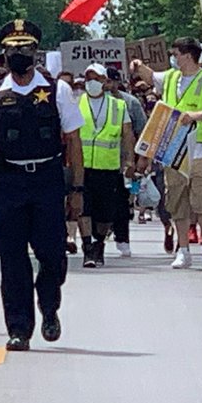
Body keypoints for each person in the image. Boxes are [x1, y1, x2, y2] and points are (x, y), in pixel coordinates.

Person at [0, 20, 85, 351]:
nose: (19, 54)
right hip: (10, 182)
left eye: (25, 49)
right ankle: (19, 328)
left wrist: (76, 189)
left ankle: (49, 307)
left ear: (36, 53)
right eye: (13, 49)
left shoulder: (56, 91)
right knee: (12, 259)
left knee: (52, 255)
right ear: (3, 55)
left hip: (48, 180)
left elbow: (74, 142)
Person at [131, 37, 202, 270]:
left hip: (201, 149)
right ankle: (183, 249)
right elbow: (151, 77)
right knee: (177, 201)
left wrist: (197, 116)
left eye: (176, 53)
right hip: (173, 150)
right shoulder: (172, 78)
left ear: (187, 55)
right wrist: (139, 65)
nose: (173, 58)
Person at [76, 63, 136, 268]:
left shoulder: (118, 106)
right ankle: (87, 247)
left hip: (108, 167)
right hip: (82, 166)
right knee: (83, 208)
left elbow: (127, 134)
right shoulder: (77, 102)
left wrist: (129, 160)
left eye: (96, 78)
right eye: (88, 78)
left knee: (104, 213)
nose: (91, 82)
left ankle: (99, 242)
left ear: (105, 81)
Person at [107, 66, 146, 257]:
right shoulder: (88, 102)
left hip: (123, 161)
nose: (107, 85)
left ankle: (122, 238)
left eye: (110, 81)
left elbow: (142, 132)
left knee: (122, 202)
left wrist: (139, 159)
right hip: (97, 161)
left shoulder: (130, 103)